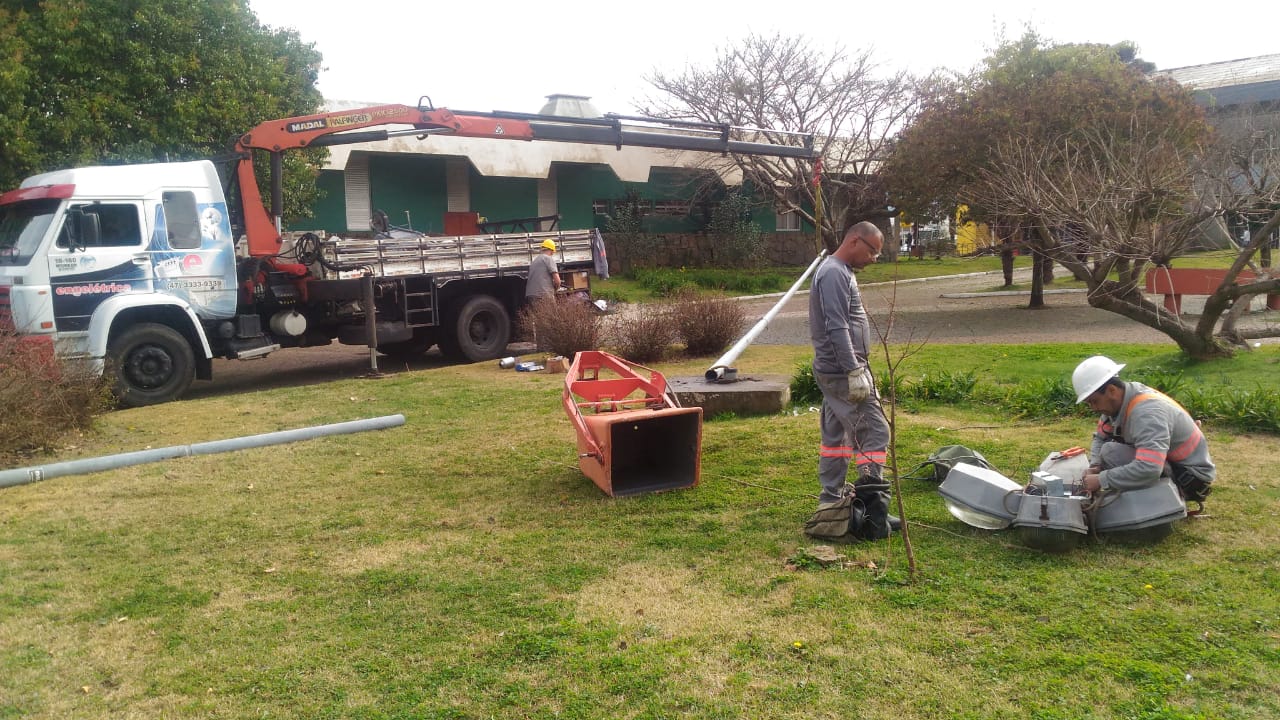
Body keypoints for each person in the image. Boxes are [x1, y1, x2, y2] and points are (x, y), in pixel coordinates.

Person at [807, 221, 894, 540]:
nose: (874, 258)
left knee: (836, 439)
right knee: (874, 429)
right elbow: (836, 326)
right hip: (843, 372)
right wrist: (854, 370)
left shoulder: (840, 272)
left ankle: (831, 506)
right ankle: (874, 514)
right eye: (872, 251)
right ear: (855, 241)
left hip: (836, 370)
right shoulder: (833, 273)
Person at [1072, 355, 1215, 507]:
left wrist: (1102, 479)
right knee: (1107, 451)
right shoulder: (1119, 402)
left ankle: (1167, 500)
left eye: (1094, 401)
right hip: (1172, 465)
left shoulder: (1147, 413)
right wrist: (1096, 466)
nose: (1093, 408)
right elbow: (1101, 437)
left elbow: (1149, 468)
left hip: (1190, 479)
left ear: (1112, 390)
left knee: (1111, 452)